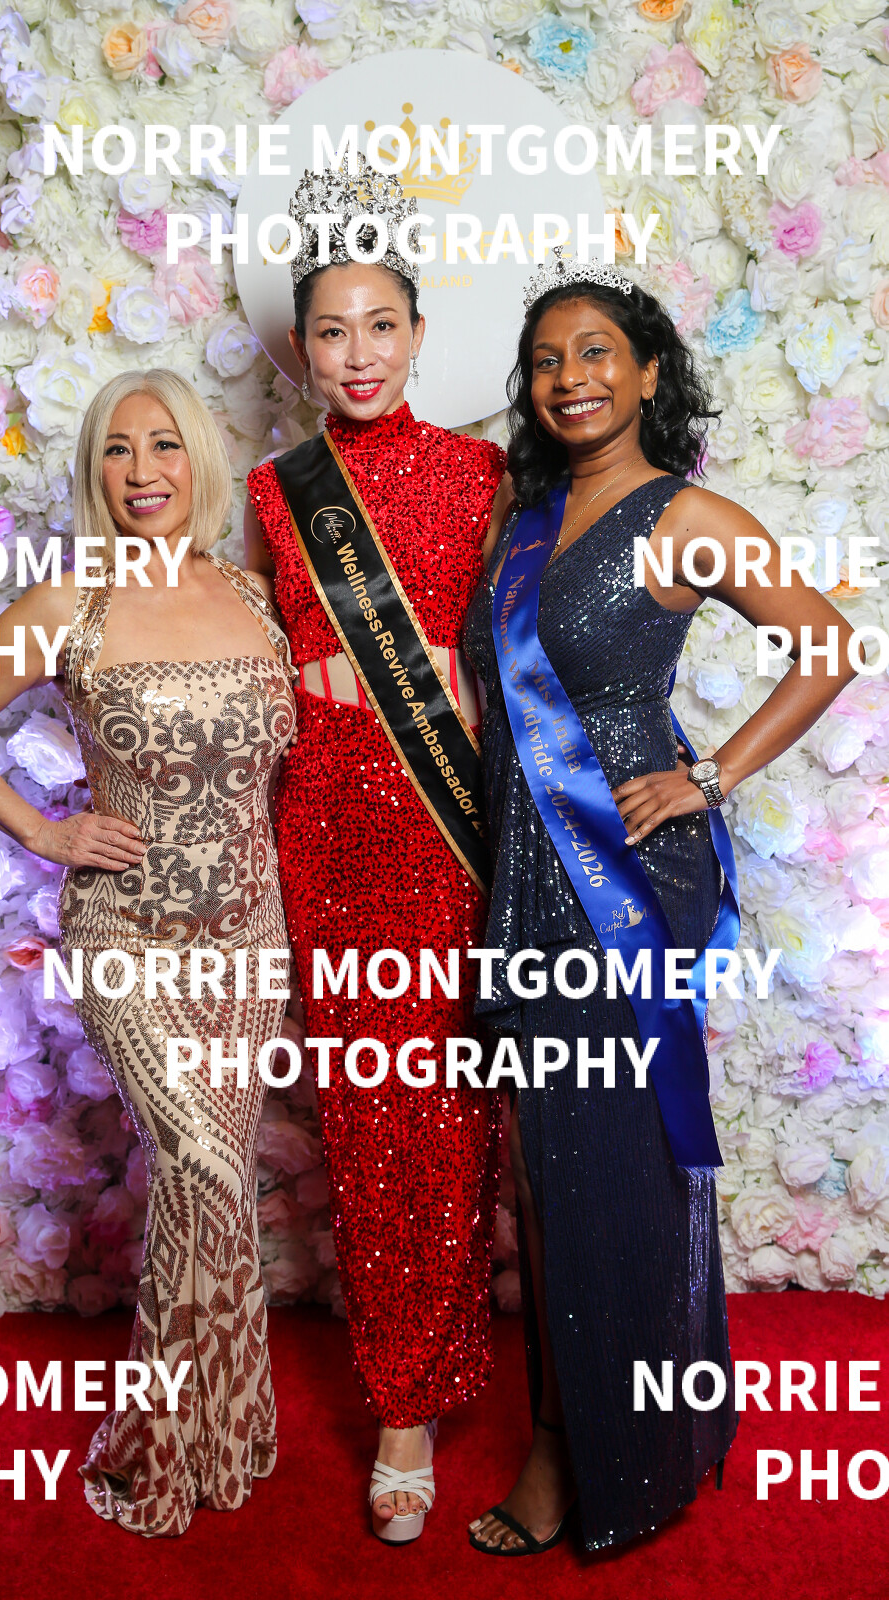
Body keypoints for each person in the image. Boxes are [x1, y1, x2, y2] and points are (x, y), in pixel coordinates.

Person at [462, 252, 859, 1555]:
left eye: (594, 353)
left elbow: (828, 646)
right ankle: (591, 1427)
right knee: (546, 1169)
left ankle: (601, 1456)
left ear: (643, 374)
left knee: (612, 1166)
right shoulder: (522, 520)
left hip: (623, 872)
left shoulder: (681, 516)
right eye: (545, 359)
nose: (567, 377)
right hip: (525, 863)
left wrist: (710, 775)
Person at [0, 368, 297, 1537]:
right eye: (117, 451)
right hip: (130, 934)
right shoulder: (67, 601)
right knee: (199, 1165)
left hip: (248, 939)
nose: (141, 471)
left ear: (199, 461)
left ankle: (218, 1422)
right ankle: (163, 1440)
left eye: (163, 445)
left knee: (214, 1181)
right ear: (94, 472)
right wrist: (43, 829)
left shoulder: (253, 594)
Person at [244, 157, 512, 1542]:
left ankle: (435, 1380)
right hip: (326, 835)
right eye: (329, 331)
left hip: (447, 830)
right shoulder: (272, 491)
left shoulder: (481, 475)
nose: (356, 353)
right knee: (365, 1119)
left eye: (380, 326)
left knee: (448, 1115)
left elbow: (519, 658)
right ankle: (399, 1395)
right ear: (301, 347)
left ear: (416, 333)